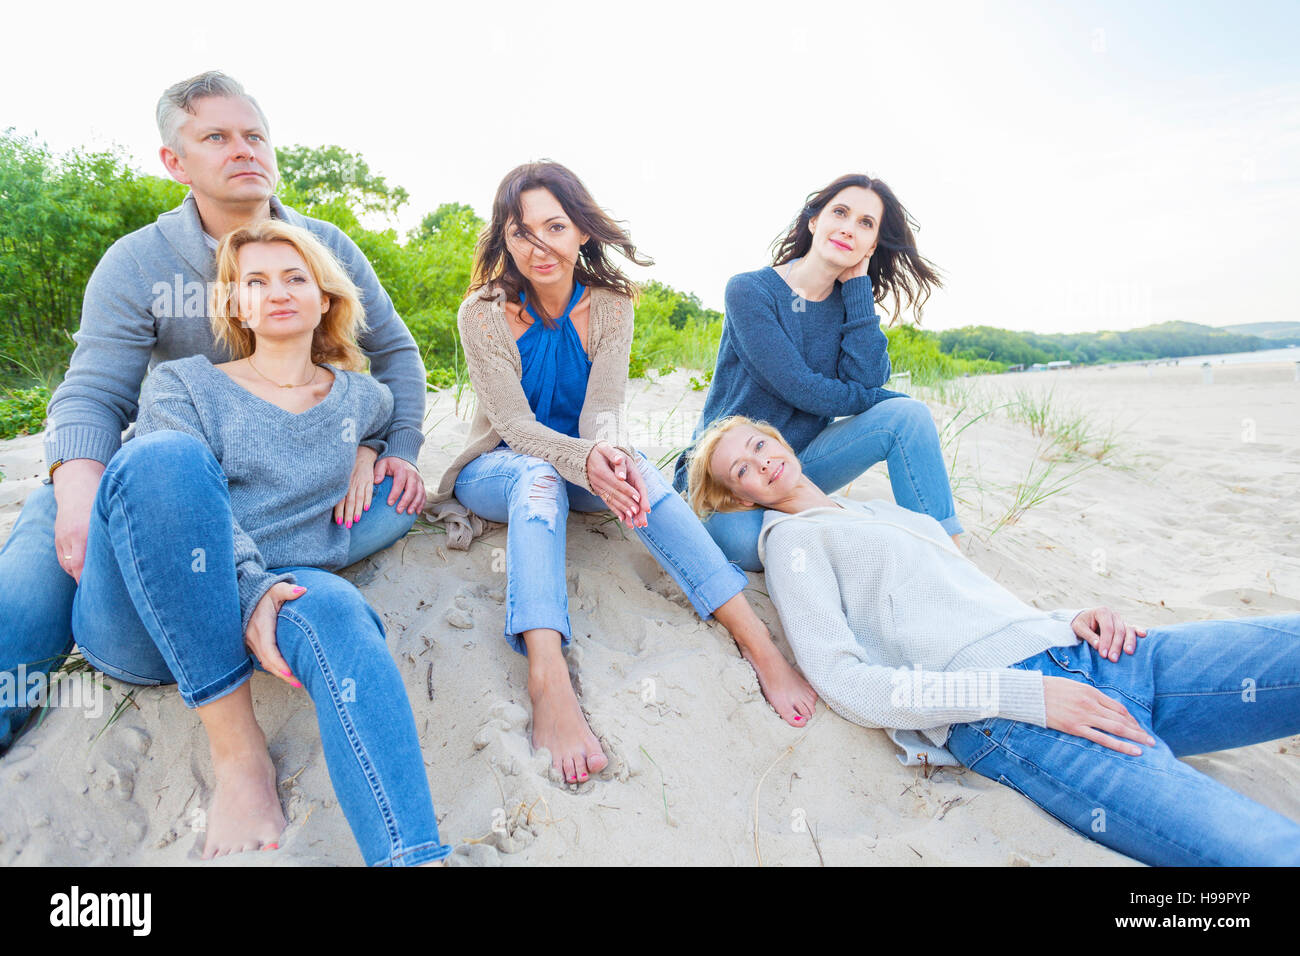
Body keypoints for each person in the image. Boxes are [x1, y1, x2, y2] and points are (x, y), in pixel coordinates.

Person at [0, 71, 427, 753]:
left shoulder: (322, 247)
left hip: (286, 476)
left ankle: (245, 592)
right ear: (176, 162)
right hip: (156, 475)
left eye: (255, 135)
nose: (244, 150)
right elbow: (92, 396)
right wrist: (79, 500)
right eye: (217, 137)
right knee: (21, 606)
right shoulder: (137, 262)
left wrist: (392, 447)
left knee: (390, 512)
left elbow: (396, 355)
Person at [687, 415, 1300, 866]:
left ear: (783, 442)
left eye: (760, 444)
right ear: (741, 497)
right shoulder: (792, 543)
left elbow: (975, 598)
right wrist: (1024, 696)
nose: (761, 461)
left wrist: (1074, 613)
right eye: (742, 468)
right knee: (1265, 851)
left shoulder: (886, 514)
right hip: (1016, 718)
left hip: (1093, 653)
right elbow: (845, 682)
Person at [69, 220, 450, 865]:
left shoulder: (362, 396)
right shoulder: (185, 384)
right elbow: (161, 494)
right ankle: (237, 758)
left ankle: (413, 857)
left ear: (326, 298)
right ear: (234, 303)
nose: (278, 291)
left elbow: (392, 420)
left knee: (340, 614)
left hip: (288, 588)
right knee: (162, 459)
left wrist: (371, 451)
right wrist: (251, 588)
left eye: (295, 277)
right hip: (151, 618)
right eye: (256, 281)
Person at [430, 161, 817, 784]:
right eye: (520, 233)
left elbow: (603, 415)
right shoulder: (483, 311)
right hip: (498, 468)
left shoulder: (611, 306)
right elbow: (514, 423)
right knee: (540, 475)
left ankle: (755, 640)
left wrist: (609, 460)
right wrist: (587, 460)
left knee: (638, 470)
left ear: (582, 230)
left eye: (554, 226)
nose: (539, 246)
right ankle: (547, 673)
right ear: (504, 240)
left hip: (583, 463)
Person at [672, 173, 961, 571]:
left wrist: (858, 285)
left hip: (797, 463)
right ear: (814, 221)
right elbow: (800, 388)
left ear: (872, 244)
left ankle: (948, 554)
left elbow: (867, 377)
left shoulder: (848, 303)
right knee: (742, 544)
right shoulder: (750, 291)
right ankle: (799, 518)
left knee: (908, 417)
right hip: (733, 470)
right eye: (840, 212)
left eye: (865, 223)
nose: (848, 227)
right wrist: (878, 398)